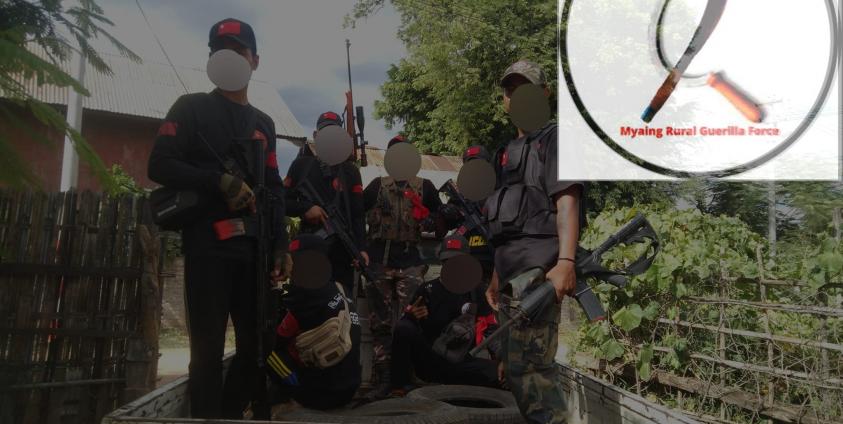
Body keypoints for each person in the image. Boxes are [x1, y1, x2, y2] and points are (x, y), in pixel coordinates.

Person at [147, 18, 290, 419]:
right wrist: (218, 181)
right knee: (206, 352)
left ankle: (226, 414)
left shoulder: (264, 123)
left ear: (255, 60)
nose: (229, 58)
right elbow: (159, 164)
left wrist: (281, 245)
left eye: (238, 51)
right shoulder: (190, 108)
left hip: (256, 252)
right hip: (207, 247)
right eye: (220, 51)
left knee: (259, 346)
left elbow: (274, 188)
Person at [483, 60, 585, 424]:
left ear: (544, 94)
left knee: (532, 372)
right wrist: (496, 278)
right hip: (511, 276)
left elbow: (567, 202)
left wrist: (566, 262)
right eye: (511, 91)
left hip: (539, 272)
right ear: (505, 101)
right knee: (517, 369)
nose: (517, 97)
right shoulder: (506, 153)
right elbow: (505, 225)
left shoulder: (555, 140)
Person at [362, 135, 444, 396]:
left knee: (412, 322)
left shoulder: (424, 187)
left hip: (410, 262)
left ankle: (407, 376)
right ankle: (383, 379)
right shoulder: (376, 186)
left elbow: (442, 219)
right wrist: (361, 250)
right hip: (379, 262)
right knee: (380, 324)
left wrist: (433, 219)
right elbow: (354, 214)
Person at [389, 234, 503, 397]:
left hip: (461, 362)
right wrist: (411, 317)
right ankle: (398, 387)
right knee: (403, 327)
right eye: (447, 261)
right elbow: (405, 330)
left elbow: (492, 332)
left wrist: (503, 359)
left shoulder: (477, 292)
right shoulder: (427, 290)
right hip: (430, 361)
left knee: (504, 374)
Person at [267, 234, 362, 410]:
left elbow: (277, 340)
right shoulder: (340, 288)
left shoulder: (304, 295)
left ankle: (289, 394)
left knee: (265, 351)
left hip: (320, 395)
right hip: (349, 390)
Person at [283, 111, 369, 293]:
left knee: (342, 303)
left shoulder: (350, 171)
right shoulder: (301, 166)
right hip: (309, 250)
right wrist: (305, 208)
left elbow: (358, 214)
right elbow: (281, 201)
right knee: (307, 302)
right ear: (316, 135)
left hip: (343, 253)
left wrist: (361, 249)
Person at [440, 145, 496, 282]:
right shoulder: (460, 194)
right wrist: (448, 212)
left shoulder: (499, 190)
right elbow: (444, 227)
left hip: (492, 261)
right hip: (465, 259)